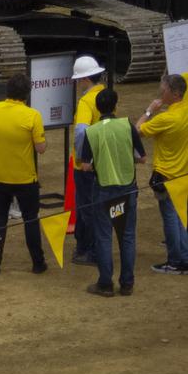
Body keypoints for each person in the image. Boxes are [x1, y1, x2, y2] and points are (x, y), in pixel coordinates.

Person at [77, 88, 145, 296]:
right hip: (127, 187)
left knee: (104, 236)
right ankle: (127, 283)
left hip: (104, 189)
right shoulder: (127, 125)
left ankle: (105, 283)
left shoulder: (92, 132)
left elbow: (85, 166)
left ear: (97, 109)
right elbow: (142, 157)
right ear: (115, 106)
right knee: (127, 236)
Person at [0, 73, 48, 274]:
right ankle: (38, 263)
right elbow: (41, 148)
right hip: (24, 178)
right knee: (30, 219)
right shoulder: (33, 116)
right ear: (27, 94)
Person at [134, 72, 188, 274]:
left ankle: (176, 260)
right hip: (182, 173)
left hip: (166, 175)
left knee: (170, 218)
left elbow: (136, 131)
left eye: (163, 90)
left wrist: (149, 111)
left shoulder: (166, 118)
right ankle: (184, 257)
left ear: (174, 94)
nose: (160, 93)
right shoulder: (185, 110)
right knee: (181, 216)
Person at [70, 55, 106, 266]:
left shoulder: (85, 102)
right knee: (92, 206)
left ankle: (91, 251)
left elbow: (81, 132)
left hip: (86, 164)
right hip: (101, 160)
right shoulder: (105, 95)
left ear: (85, 79)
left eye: (78, 80)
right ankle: (84, 246)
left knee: (86, 208)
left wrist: (82, 157)